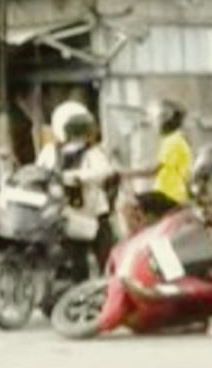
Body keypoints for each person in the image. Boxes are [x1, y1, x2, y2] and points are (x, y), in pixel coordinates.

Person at [37, 101, 116, 277]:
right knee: (78, 258)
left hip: (93, 211)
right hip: (70, 213)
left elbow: (103, 171)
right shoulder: (52, 152)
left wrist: (75, 176)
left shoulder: (92, 153)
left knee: (105, 256)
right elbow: (41, 173)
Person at [132, 100, 193, 219]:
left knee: (129, 205)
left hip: (169, 194)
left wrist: (124, 174)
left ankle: (143, 236)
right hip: (172, 194)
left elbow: (154, 170)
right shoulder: (178, 139)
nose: (156, 125)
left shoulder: (173, 140)